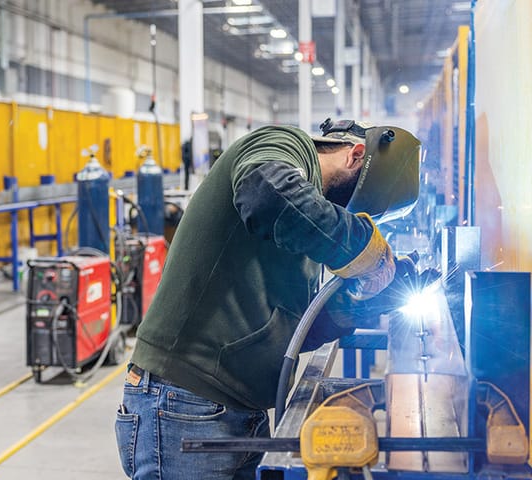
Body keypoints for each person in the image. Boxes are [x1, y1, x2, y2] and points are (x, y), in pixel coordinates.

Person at [115, 119, 422, 479]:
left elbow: (295, 329)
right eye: (351, 211)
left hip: (239, 412)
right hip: (184, 402)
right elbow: (263, 193)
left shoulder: (304, 223)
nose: (344, 218)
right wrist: (360, 245)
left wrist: (369, 300)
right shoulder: (282, 145)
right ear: (355, 155)